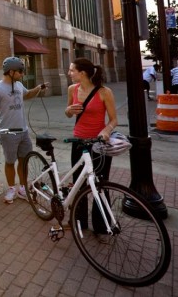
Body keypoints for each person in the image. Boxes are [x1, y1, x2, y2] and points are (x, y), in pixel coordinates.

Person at [64, 58, 118, 232]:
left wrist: (106, 130)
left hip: (99, 144)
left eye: (72, 70)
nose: (69, 73)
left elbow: (114, 119)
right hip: (79, 143)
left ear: (83, 73)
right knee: (79, 184)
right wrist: (68, 111)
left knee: (100, 184)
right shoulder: (72, 89)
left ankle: (101, 225)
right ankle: (79, 221)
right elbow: (68, 114)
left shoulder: (104, 92)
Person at [0, 57, 48, 204]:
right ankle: (11, 189)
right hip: (7, 132)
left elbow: (27, 95)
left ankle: (22, 189)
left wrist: (39, 88)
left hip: (23, 131)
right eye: (20, 71)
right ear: (11, 72)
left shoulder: (19, 85)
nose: (22, 73)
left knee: (24, 161)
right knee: (10, 162)